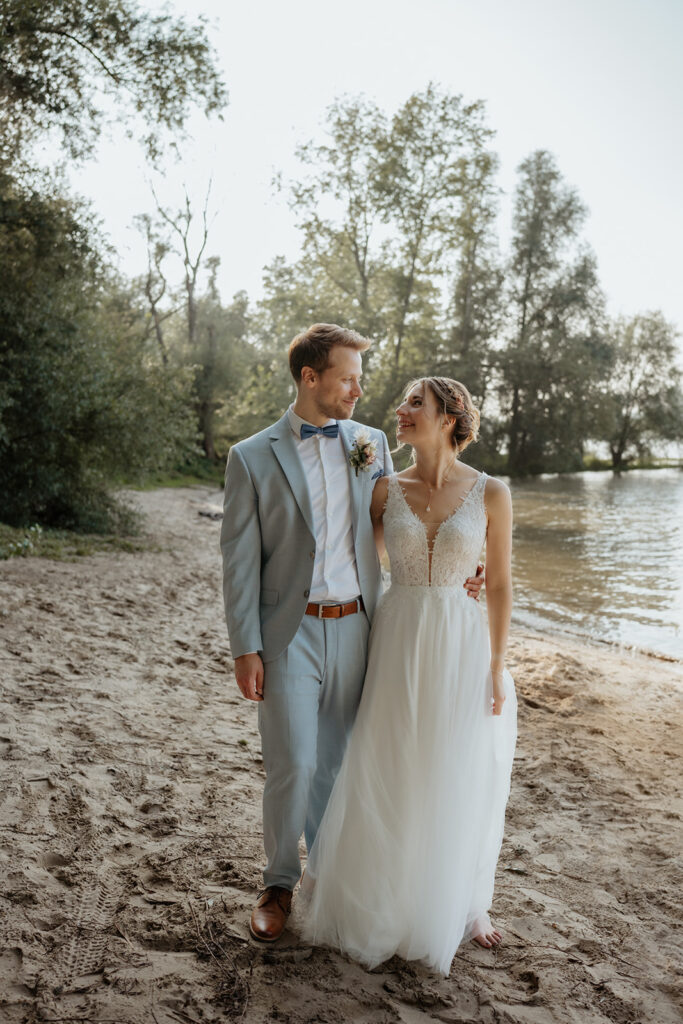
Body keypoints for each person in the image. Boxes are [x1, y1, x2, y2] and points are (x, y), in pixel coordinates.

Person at [220, 326, 484, 943]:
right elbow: (238, 560)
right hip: (289, 633)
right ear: (311, 378)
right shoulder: (251, 456)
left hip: (364, 628)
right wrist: (245, 646)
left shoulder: (369, 445)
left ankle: (331, 880)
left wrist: (468, 568)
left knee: (342, 764)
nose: (359, 389)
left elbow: (404, 525)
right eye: (347, 377)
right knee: (293, 761)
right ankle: (279, 883)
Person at [299, 376, 517, 975]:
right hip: (395, 639)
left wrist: (497, 667)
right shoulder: (382, 490)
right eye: (404, 402)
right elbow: (344, 560)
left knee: (457, 770)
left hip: (460, 644)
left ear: (449, 418)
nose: (401, 410)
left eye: (415, 402)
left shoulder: (491, 493)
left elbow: (497, 584)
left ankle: (466, 904)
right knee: (387, 763)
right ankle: (378, 894)